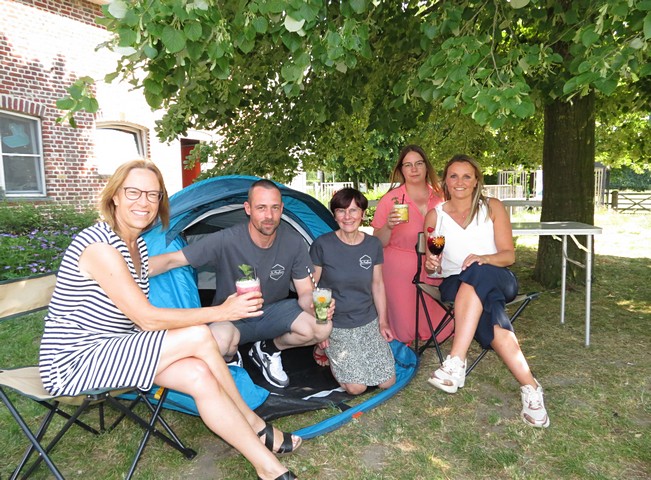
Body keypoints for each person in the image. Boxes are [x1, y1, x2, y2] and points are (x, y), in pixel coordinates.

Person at [38, 160, 300, 480]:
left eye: (153, 194)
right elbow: (146, 318)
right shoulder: (100, 246)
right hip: (75, 361)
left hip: (115, 348)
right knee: (199, 336)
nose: (144, 202)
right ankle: (255, 424)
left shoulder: (134, 247)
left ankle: (267, 467)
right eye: (133, 191)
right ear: (115, 196)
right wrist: (222, 312)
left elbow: (140, 304)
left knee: (199, 374)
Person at [150, 179, 333, 389]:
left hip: (274, 312)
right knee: (217, 342)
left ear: (282, 209)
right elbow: (172, 259)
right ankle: (231, 358)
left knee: (322, 327)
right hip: (232, 315)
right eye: (261, 208)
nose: (269, 216)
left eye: (275, 208)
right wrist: (124, 269)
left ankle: (269, 350)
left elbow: (305, 293)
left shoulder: (292, 242)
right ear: (248, 209)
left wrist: (315, 306)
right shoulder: (226, 239)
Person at [423, 154, 549, 428]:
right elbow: (433, 268)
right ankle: (531, 388)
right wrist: (431, 263)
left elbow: (508, 255)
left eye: (466, 176)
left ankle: (456, 361)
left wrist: (483, 258)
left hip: (497, 275)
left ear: (476, 180)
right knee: (491, 313)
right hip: (455, 282)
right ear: (445, 180)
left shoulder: (492, 207)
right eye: (453, 176)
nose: (460, 182)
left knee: (478, 272)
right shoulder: (436, 216)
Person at [310, 188, 396, 395]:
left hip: (367, 320)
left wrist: (383, 321)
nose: (347, 217)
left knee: (387, 382)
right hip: (336, 322)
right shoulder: (322, 244)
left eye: (354, 210)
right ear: (334, 215)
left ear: (363, 214)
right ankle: (321, 348)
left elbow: (377, 284)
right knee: (357, 388)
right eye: (341, 211)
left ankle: (337, 351)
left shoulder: (373, 245)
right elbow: (313, 287)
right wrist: (321, 327)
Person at [371, 144, 445, 343]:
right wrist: (388, 225)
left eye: (419, 163)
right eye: (408, 165)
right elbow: (377, 242)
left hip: (434, 264)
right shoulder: (391, 200)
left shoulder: (440, 197)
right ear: (401, 170)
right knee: (404, 332)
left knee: (442, 326)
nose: (414, 169)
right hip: (399, 269)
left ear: (426, 167)